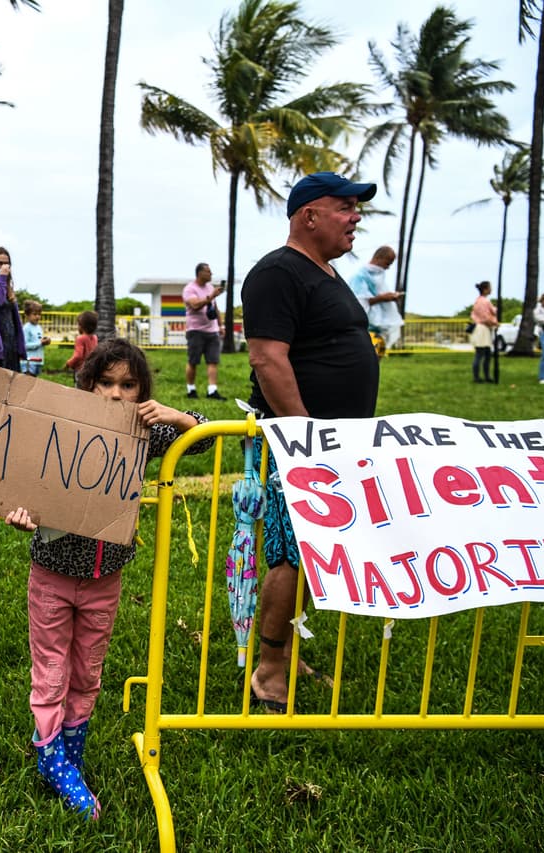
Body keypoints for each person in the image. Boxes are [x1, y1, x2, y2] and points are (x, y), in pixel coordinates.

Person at [5, 338, 214, 818]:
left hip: (106, 579)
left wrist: (174, 416)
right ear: (86, 384)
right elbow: (16, 480)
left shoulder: (146, 435)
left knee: (87, 672)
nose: (116, 395)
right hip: (52, 576)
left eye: (128, 385)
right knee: (52, 670)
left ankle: (68, 757)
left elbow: (203, 438)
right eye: (105, 383)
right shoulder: (61, 428)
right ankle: (50, 754)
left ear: (142, 392)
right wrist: (19, 514)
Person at [242, 172, 381, 713]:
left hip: (331, 443)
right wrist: (307, 435)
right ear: (309, 216)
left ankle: (288, 650)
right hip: (300, 446)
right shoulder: (278, 272)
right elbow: (267, 359)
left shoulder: (325, 273)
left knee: (317, 551)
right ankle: (269, 670)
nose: (356, 217)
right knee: (290, 557)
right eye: (345, 207)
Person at [182, 262, 226, 399]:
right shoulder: (190, 289)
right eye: (208, 271)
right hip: (195, 331)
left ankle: (212, 391)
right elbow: (195, 305)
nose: (211, 274)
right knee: (193, 361)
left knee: (213, 361)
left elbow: (215, 307)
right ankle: (191, 390)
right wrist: (211, 296)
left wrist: (220, 325)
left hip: (212, 331)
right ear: (200, 273)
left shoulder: (209, 287)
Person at [348, 246, 403, 351]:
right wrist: (383, 298)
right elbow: (359, 303)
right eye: (387, 263)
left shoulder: (376, 276)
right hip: (365, 328)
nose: (387, 267)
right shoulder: (360, 276)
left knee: (376, 358)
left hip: (377, 328)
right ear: (378, 258)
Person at [469, 280, 497, 384]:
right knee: (481, 354)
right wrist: (494, 323)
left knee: (486, 354)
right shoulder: (484, 302)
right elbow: (486, 316)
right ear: (486, 289)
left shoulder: (478, 301)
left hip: (479, 328)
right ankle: (478, 377)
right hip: (483, 328)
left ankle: (485, 376)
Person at [64, 311, 99, 380]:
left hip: (81, 370)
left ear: (82, 326)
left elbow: (78, 356)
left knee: (79, 388)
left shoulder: (80, 338)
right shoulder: (95, 337)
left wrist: (69, 363)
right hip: (92, 369)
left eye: (78, 325)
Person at [20, 300, 50, 375]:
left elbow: (38, 340)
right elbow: (24, 346)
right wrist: (40, 343)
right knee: (27, 383)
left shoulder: (38, 327)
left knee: (33, 383)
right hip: (29, 361)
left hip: (38, 360)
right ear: (27, 315)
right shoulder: (26, 328)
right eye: (34, 314)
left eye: (39, 314)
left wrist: (45, 341)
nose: (37, 316)